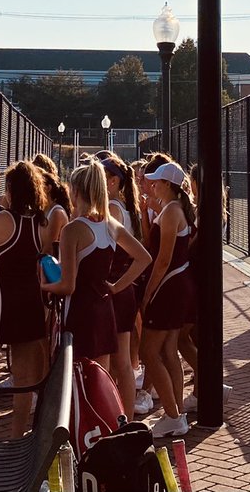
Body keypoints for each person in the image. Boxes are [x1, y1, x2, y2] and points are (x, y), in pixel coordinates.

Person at [43, 162, 150, 371]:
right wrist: (116, 287)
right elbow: (143, 257)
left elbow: (68, 286)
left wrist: (44, 286)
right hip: (104, 308)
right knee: (101, 376)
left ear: (76, 191)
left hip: (80, 311)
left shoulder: (73, 229)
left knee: (75, 376)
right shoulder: (110, 224)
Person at [0, 161, 52, 436]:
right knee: (23, 379)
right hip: (29, 306)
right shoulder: (42, 224)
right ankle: (17, 437)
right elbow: (42, 269)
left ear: (10, 189)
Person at [139, 162, 196, 438]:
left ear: (169, 185)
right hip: (176, 285)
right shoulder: (171, 209)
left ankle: (173, 415)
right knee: (169, 350)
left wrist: (148, 292)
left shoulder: (172, 211)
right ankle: (177, 414)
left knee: (148, 352)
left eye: (157, 181)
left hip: (169, 286)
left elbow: (163, 259)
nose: (152, 184)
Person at [101, 153, 148, 418]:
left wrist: (117, 285)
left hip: (117, 288)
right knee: (120, 361)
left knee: (120, 361)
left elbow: (128, 253)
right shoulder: (121, 206)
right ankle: (123, 414)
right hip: (120, 288)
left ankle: (126, 416)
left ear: (113, 181)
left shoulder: (114, 209)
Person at [39, 170, 71, 258]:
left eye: (37, 186)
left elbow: (49, 249)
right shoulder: (41, 210)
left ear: (48, 188)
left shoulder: (56, 213)